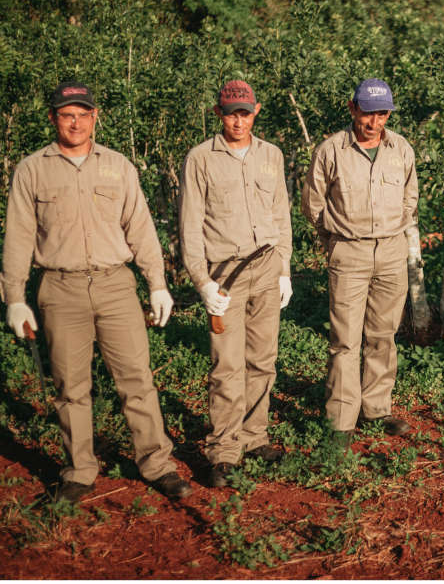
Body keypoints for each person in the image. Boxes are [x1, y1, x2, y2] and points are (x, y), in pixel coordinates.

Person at [1, 81, 191, 502]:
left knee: (137, 379)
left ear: (94, 117)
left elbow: (140, 228)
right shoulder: (32, 169)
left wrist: (157, 284)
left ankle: (157, 464)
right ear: (53, 118)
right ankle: (79, 471)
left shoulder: (118, 165)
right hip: (59, 288)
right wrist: (15, 298)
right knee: (70, 386)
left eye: (82, 114)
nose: (75, 122)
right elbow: (18, 236)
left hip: (116, 285)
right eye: (67, 114)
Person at [179, 80, 293, 487]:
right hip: (224, 275)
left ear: (256, 111)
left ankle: (254, 435)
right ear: (218, 114)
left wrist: (285, 269)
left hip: (266, 268)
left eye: (245, 112)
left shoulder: (271, 155)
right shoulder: (200, 159)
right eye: (231, 113)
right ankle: (224, 450)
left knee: (263, 360)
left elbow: (281, 214)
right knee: (226, 365)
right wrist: (201, 282)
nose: (238, 120)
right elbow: (190, 226)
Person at [301, 78, 417, 443]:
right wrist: (335, 242)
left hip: (391, 251)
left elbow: (410, 198)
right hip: (348, 251)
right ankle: (341, 419)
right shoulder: (331, 150)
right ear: (353, 109)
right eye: (367, 112)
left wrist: (396, 231)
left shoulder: (401, 149)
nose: (374, 121)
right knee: (345, 339)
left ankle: (376, 408)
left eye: (381, 113)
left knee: (383, 334)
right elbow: (313, 205)